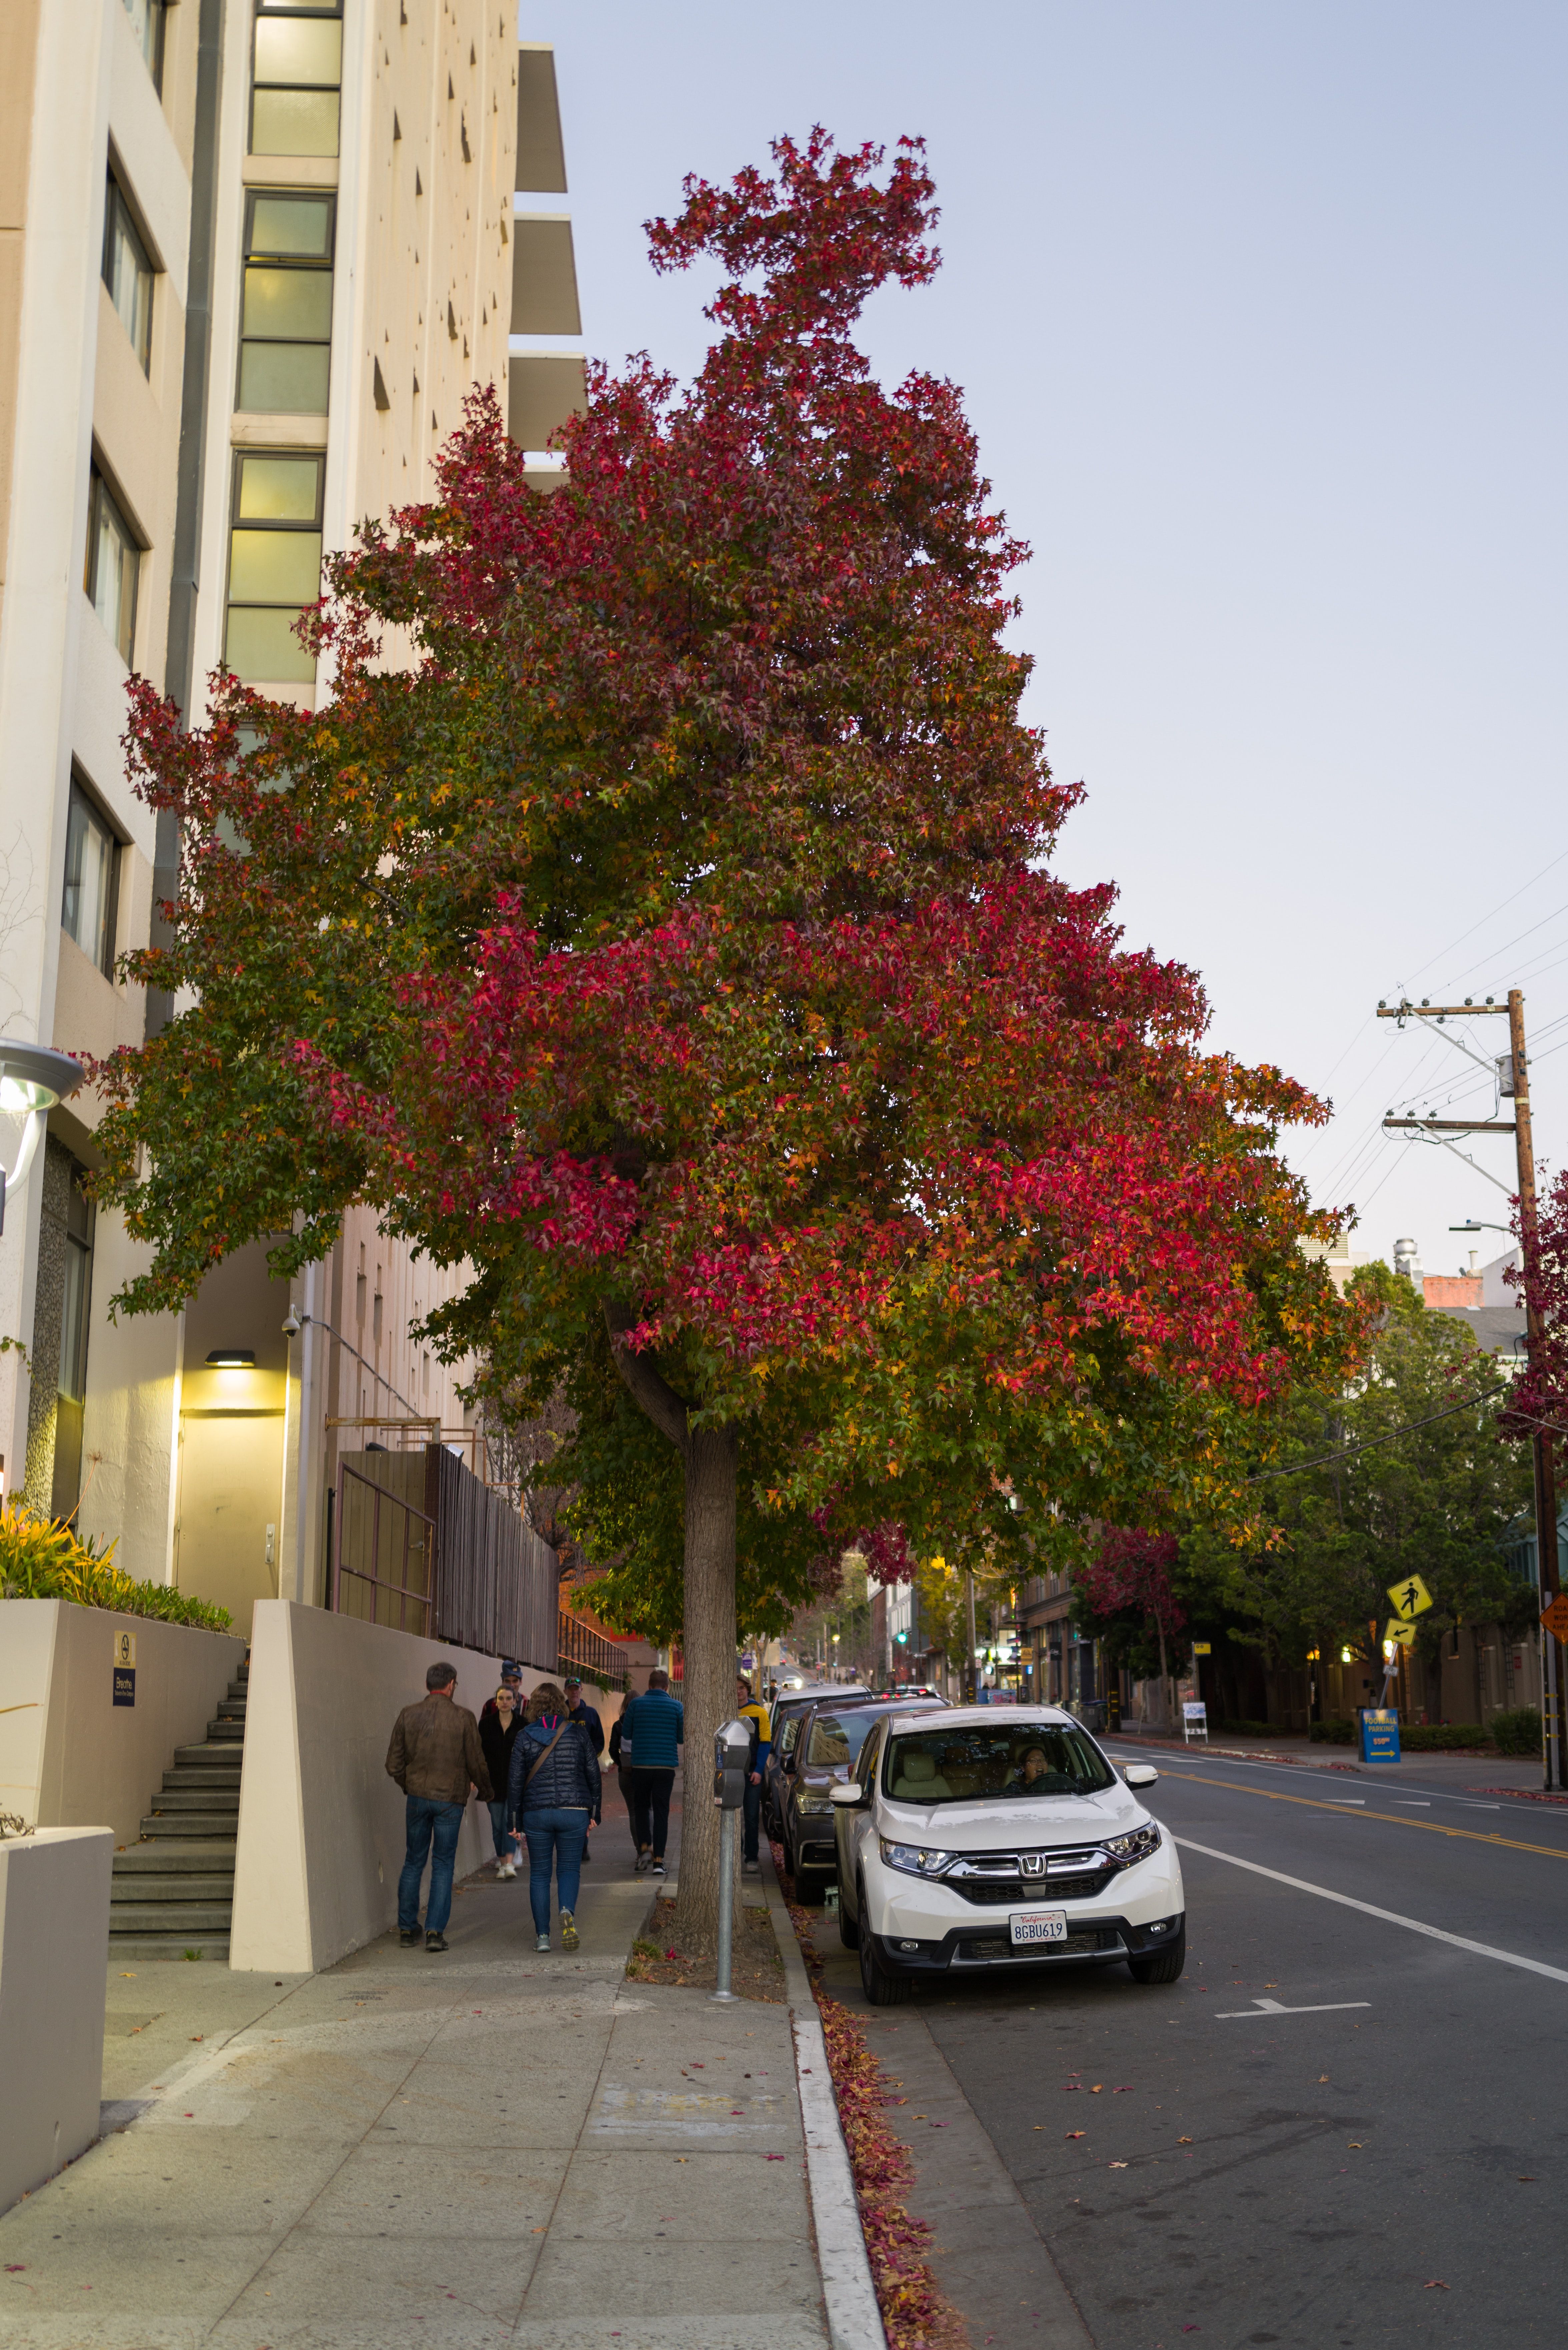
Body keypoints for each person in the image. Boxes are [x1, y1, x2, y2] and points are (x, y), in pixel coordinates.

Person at [385, 1661, 492, 1952]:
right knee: (443, 1864)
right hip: (450, 1801)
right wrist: (487, 1791)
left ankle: (407, 1929)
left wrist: (410, 1785)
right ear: (450, 1685)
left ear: (428, 1685)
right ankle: (434, 1932)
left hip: (418, 1798)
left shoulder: (409, 1715)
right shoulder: (464, 1718)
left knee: (413, 1861)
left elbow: (393, 1764)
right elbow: (476, 1762)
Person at [509, 1679, 602, 1952]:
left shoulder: (525, 1736)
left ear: (534, 1706)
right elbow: (594, 1775)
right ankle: (566, 1911)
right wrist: (594, 1812)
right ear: (561, 1705)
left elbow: (514, 1782)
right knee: (569, 1869)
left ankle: (542, 1937)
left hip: (537, 1813)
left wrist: (515, 1822)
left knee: (539, 1874)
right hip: (574, 1813)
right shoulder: (577, 1733)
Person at [620, 1667, 684, 1875]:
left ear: (649, 1685)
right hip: (665, 1767)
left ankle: (645, 1848)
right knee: (662, 1812)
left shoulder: (636, 1705)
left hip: (641, 1766)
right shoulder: (677, 1707)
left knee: (641, 1809)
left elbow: (627, 1734)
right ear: (667, 1687)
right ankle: (659, 1862)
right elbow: (681, 1738)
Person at [478, 1682, 523, 1876]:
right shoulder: (486, 1724)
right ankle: (503, 1861)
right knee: (497, 1826)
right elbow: (479, 1754)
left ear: (515, 1701)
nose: (505, 1702)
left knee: (510, 1823)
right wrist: (477, 1779)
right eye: (501, 1699)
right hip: (492, 1783)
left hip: (515, 1783)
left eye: (508, 1699)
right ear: (496, 1702)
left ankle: (510, 1864)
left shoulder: (523, 1724)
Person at [735, 1673, 772, 1875]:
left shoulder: (759, 1713)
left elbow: (766, 1743)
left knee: (750, 1817)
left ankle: (751, 1857)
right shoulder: (726, 1710)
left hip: (752, 1774)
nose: (739, 1691)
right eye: (735, 1688)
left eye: (742, 1687)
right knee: (730, 1816)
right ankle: (735, 1851)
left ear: (748, 1689)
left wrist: (759, 1770)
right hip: (731, 1772)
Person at [608, 1709, 637, 1852]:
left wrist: (621, 1764)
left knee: (633, 1812)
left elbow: (612, 1749)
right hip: (645, 1771)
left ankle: (640, 1850)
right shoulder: (644, 1723)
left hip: (626, 1773)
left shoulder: (619, 1725)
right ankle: (651, 1849)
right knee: (649, 1809)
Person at [562, 1674, 605, 1755]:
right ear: (565, 1692)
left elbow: (599, 1741)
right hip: (564, 1761)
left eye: (576, 1689)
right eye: (571, 1689)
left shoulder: (592, 1714)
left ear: (581, 1690)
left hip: (585, 1763)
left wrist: (590, 1757)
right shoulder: (560, 1713)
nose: (574, 1692)